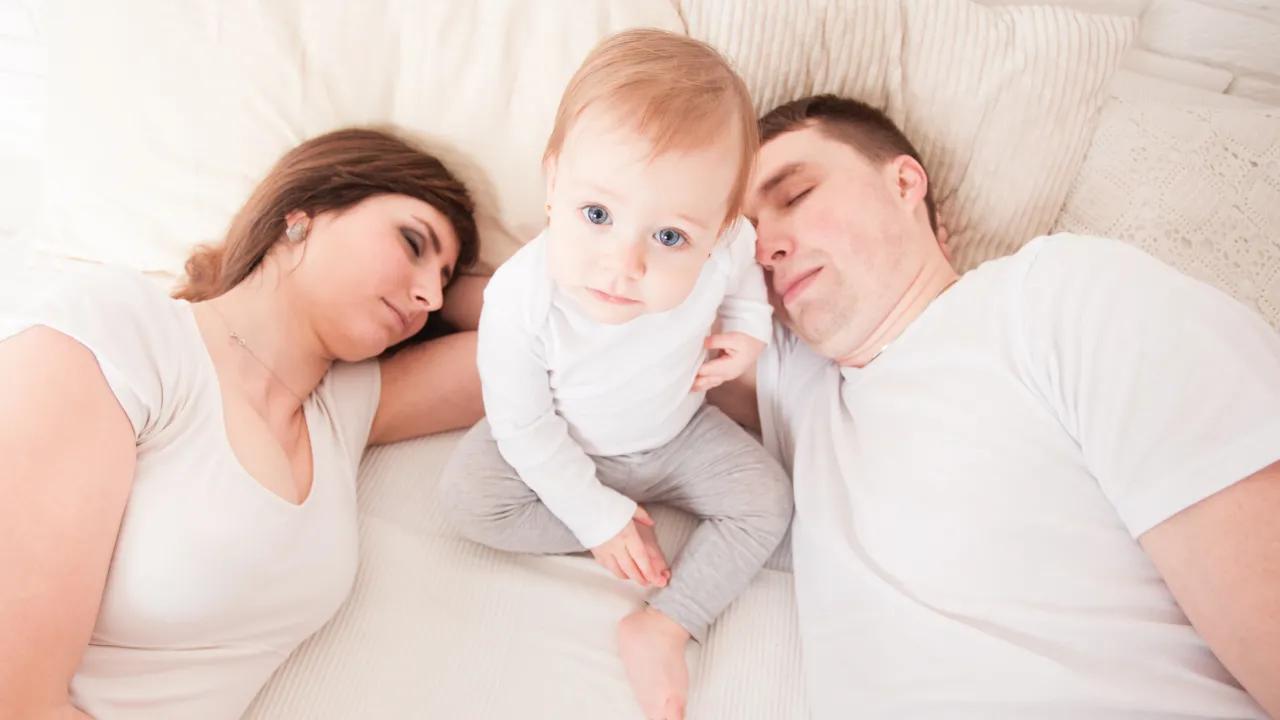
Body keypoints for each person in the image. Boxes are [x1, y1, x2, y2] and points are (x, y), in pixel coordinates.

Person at [707, 92, 1280, 719]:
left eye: (794, 197)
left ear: (903, 183)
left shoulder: (1059, 298)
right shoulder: (802, 393)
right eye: (749, 238)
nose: (766, 249)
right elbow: (621, 315)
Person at [0, 128, 486, 720]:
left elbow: (548, 341)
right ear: (300, 215)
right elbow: (16, 700)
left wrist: (453, 289)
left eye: (445, 279)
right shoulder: (127, 328)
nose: (430, 298)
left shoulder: (343, 409)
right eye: (413, 243)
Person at [437, 29, 793, 720]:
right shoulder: (521, 297)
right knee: (465, 500)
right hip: (562, 442)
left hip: (678, 434)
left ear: (716, 230)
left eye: (668, 238)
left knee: (768, 505)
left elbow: (747, 266)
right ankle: (622, 526)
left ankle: (666, 622)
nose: (623, 263)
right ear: (552, 184)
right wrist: (595, 517)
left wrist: (750, 328)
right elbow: (523, 424)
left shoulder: (726, 247)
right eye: (596, 214)